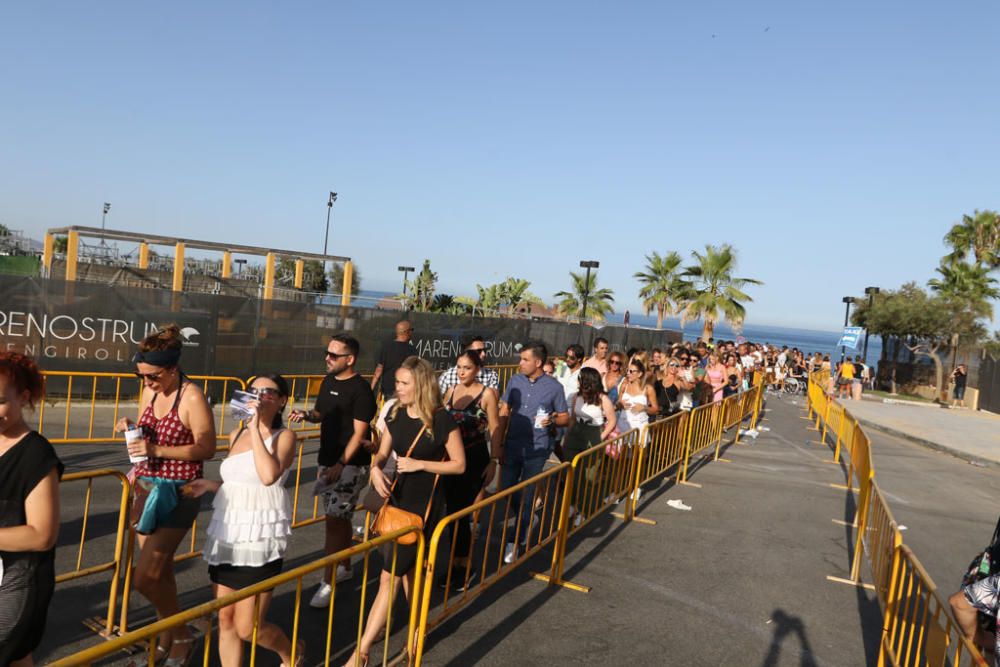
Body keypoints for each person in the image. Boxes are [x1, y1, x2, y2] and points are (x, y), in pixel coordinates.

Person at [344, 357, 465, 667]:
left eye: (403, 383)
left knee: (389, 578)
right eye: (396, 382)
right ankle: (416, 630)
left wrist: (421, 464)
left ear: (421, 385)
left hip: (424, 508)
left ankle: (361, 651)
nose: (397, 388)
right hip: (397, 503)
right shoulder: (396, 414)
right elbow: (383, 453)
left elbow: (459, 464)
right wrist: (374, 471)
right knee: (409, 576)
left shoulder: (441, 420)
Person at [114, 325, 217, 667]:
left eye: (153, 377)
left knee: (145, 578)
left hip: (179, 492)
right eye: (141, 376)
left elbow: (207, 447)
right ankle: (168, 635)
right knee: (162, 575)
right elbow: (147, 434)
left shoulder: (192, 396)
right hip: (145, 487)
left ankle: (182, 635)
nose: (147, 384)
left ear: (172, 369)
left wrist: (157, 446)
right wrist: (132, 428)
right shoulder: (151, 391)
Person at [185, 374, 301, 667]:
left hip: (260, 537)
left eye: (269, 392)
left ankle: (291, 653)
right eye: (255, 391)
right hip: (228, 532)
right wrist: (211, 486)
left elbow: (267, 476)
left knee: (249, 628)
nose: (260, 396)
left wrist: (256, 427)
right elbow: (239, 479)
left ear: (282, 400)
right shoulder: (234, 435)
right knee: (224, 618)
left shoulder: (285, 437)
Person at [290, 334, 377, 608]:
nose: (327, 358)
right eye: (326, 353)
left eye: (333, 355)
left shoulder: (362, 391)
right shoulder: (328, 381)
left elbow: (359, 433)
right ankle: (346, 566)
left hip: (350, 465)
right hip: (329, 461)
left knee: (332, 520)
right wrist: (305, 415)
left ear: (349, 359)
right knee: (339, 518)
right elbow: (321, 414)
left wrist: (341, 464)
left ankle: (327, 583)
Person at [0, 352, 63, 667]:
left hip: (18, 582)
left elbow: (41, 535)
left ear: (23, 397)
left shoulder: (36, 454)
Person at [497, 342, 568, 564]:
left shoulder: (555, 387)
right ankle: (526, 517)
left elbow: (565, 417)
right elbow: (504, 409)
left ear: (538, 362)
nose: (520, 363)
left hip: (538, 448)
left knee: (528, 493)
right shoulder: (515, 381)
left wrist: (553, 419)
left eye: (524, 359)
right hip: (512, 445)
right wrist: (498, 443)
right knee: (507, 489)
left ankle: (515, 540)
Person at [439, 351, 501, 591]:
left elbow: (495, 428)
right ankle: (454, 564)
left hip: (474, 459)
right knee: (451, 514)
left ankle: (464, 568)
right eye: (458, 367)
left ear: (477, 369)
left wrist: (494, 461)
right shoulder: (452, 390)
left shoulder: (487, 395)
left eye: (466, 367)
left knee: (460, 514)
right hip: (451, 459)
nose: (461, 372)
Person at [562, 367, 617, 524]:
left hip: (593, 434)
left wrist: (600, 437)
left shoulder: (603, 399)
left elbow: (612, 420)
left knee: (588, 478)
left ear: (587, 381)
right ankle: (572, 506)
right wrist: (567, 438)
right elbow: (573, 418)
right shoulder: (576, 397)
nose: (577, 382)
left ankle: (583, 510)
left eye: (580, 378)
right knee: (571, 474)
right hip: (575, 435)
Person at [370, 321, 415, 400]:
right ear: (406, 332)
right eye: (411, 330)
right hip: (404, 391)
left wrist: (371, 389)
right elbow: (415, 371)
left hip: (387, 391)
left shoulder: (386, 347)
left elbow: (379, 369)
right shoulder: (412, 350)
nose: (412, 332)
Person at [616, 359, 659, 433]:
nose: (628, 373)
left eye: (631, 371)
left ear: (640, 374)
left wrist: (644, 408)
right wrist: (620, 404)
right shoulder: (624, 385)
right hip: (623, 425)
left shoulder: (648, 388)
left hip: (640, 426)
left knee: (638, 445)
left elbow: (656, 410)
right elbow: (618, 403)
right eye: (627, 371)